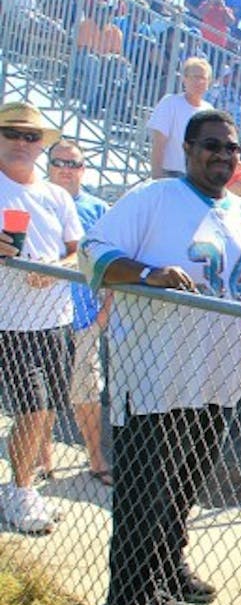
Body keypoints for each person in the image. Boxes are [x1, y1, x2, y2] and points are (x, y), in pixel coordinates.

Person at [79, 109, 241, 605]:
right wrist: (146, 273)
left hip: (218, 371)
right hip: (157, 370)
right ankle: (133, 590)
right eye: (212, 145)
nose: (223, 156)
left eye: (232, 148)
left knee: (188, 478)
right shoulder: (152, 198)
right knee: (147, 481)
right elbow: (93, 252)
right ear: (186, 149)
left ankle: (168, 563)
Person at [0, 103, 83, 535]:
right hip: (8, 321)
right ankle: (20, 489)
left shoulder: (56, 194)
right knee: (33, 408)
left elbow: (77, 249)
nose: (21, 143)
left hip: (56, 319)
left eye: (31, 137)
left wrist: (54, 265)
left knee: (46, 409)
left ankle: (21, 488)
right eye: (12, 133)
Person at [45, 139, 112, 487]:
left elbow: (114, 257)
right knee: (43, 391)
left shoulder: (97, 208)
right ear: (49, 165)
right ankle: (42, 457)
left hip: (83, 316)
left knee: (86, 390)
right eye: (60, 162)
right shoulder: (37, 200)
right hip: (39, 314)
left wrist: (105, 311)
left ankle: (96, 457)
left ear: (84, 169)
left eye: (74, 164)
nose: (67, 170)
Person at [148, 57, 213, 179]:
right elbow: (158, 143)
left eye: (202, 78)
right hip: (169, 174)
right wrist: (157, 178)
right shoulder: (170, 103)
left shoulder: (209, 111)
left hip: (196, 178)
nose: (198, 82)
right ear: (184, 79)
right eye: (194, 77)